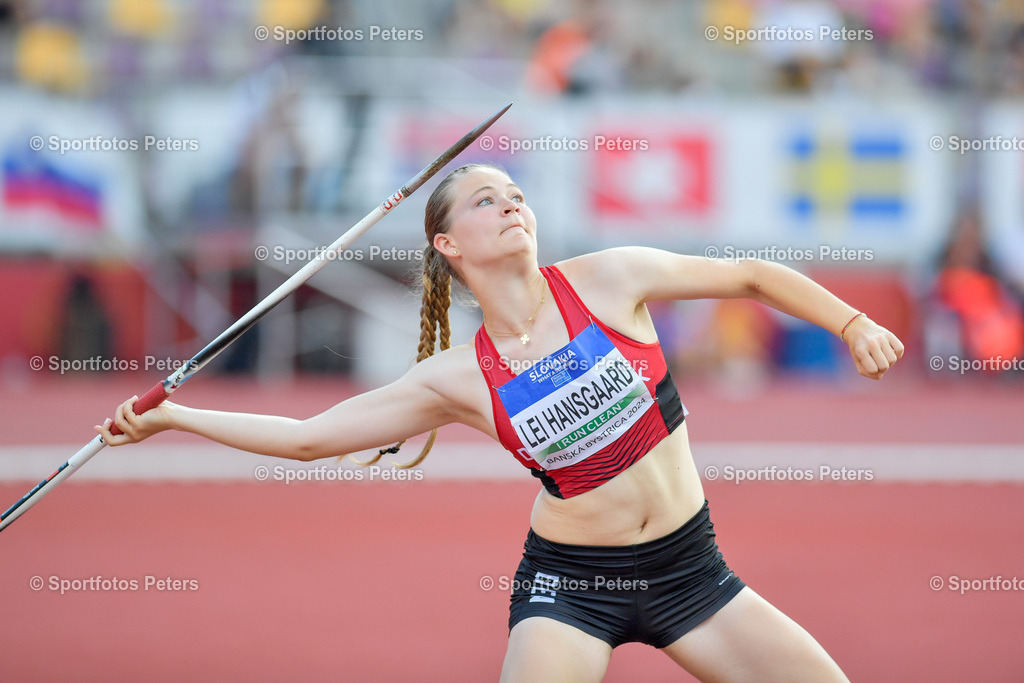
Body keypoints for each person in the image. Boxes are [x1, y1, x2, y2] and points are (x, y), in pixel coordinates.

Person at [98, 163, 903, 681]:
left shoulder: (611, 278)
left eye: (518, 194)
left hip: (692, 572)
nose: (512, 204)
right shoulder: (456, 375)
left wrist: (853, 322)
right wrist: (177, 419)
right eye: (488, 199)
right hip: (571, 587)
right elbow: (311, 437)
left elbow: (753, 274)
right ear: (448, 242)